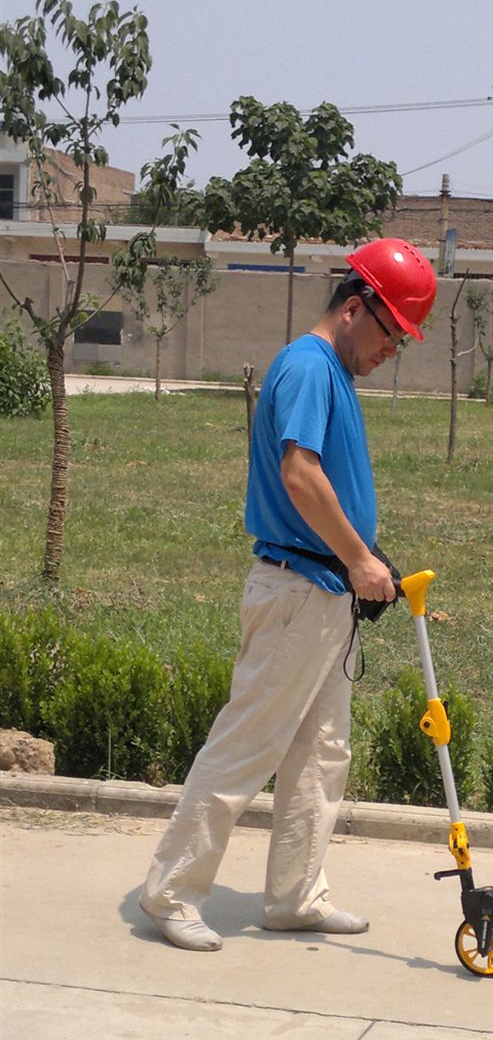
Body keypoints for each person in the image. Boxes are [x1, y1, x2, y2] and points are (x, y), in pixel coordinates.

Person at [139, 238, 437, 951]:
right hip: (299, 587)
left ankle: (295, 896)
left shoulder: (329, 372)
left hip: (325, 587)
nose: (391, 352)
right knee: (248, 742)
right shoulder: (308, 367)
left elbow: (322, 480)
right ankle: (170, 893)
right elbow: (299, 475)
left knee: (321, 750)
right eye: (391, 334)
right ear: (355, 308)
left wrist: (364, 560)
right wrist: (358, 557)